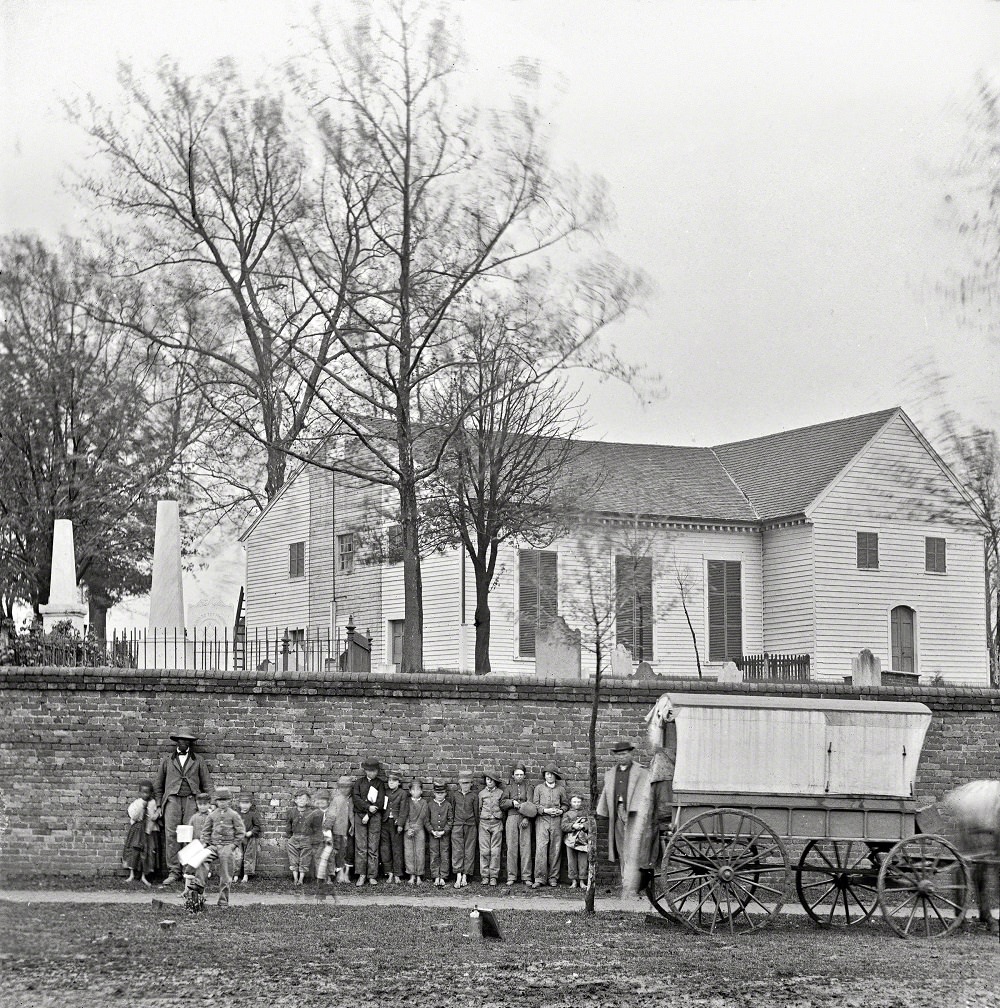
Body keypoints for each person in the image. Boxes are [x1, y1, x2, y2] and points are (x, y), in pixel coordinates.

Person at [154, 727, 212, 886]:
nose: (184, 743)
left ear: (190, 743)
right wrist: (159, 805)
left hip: (191, 800)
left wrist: (211, 804)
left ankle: (189, 871)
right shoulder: (167, 760)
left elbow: (207, 783)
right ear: (177, 741)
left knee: (189, 836)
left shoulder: (198, 760)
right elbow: (158, 785)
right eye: (181, 740)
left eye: (187, 741)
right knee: (171, 835)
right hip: (172, 801)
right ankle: (174, 872)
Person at [596, 739, 651, 890]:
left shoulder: (641, 772)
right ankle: (626, 881)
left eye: (625, 754)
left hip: (635, 814)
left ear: (630, 754)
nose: (622, 757)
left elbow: (646, 795)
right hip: (617, 811)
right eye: (619, 754)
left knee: (635, 848)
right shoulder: (611, 774)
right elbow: (606, 793)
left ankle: (636, 883)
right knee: (622, 849)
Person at [200, 787, 244, 906]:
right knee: (201, 858)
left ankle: (223, 901)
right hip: (214, 846)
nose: (222, 803)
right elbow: (205, 831)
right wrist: (207, 843)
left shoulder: (234, 815)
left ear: (229, 801)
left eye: (224, 800)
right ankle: (199, 892)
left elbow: (240, 832)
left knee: (225, 875)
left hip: (227, 846)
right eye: (220, 800)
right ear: (216, 801)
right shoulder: (212, 815)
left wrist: (234, 845)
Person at [352, 757, 389, 886]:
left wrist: (369, 814)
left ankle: (372, 875)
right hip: (360, 815)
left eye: (374, 771)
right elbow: (356, 799)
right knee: (361, 847)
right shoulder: (359, 783)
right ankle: (361, 875)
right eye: (369, 771)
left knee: (373, 846)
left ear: (377, 771)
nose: (371, 773)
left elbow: (380, 801)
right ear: (365, 770)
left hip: (374, 817)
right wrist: (367, 808)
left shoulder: (380, 783)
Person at [531, 763, 567, 888]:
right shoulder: (539, 789)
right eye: (547, 774)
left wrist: (561, 811)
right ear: (544, 776)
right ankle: (540, 878)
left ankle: (553, 877)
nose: (549, 776)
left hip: (557, 821)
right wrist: (545, 811)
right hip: (542, 820)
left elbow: (565, 804)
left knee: (555, 849)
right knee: (541, 848)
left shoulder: (561, 789)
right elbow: (534, 805)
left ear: (555, 776)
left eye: (552, 774)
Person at [122, 779, 160, 885]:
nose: (145, 794)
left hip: (149, 833)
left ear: (151, 793)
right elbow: (133, 815)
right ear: (140, 793)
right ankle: (132, 874)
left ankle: (144, 875)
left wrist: (156, 814)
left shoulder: (153, 803)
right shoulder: (137, 803)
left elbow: (156, 815)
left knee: (147, 853)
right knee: (134, 851)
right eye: (143, 792)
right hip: (138, 833)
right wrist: (141, 807)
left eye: (147, 792)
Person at [501, 762, 533, 885]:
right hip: (511, 818)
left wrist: (527, 818)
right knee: (511, 848)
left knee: (526, 848)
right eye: (516, 774)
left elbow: (531, 805)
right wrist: (511, 802)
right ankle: (511, 876)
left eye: (521, 774)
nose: (519, 776)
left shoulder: (529, 787)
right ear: (513, 776)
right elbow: (502, 804)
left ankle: (526, 876)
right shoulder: (508, 788)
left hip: (525, 819)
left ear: (524, 776)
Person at [285, 790, 321, 885]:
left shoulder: (312, 813)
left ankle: (301, 879)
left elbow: (316, 827)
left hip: (307, 839)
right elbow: (288, 826)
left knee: (305, 859)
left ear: (308, 801)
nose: (301, 800)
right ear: (295, 801)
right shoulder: (291, 812)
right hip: (294, 838)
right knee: (293, 859)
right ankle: (295, 878)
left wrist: (313, 839)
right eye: (299, 798)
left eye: (304, 799)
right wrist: (290, 837)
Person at [451, 770, 478, 889]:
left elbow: (476, 813)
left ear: (471, 784)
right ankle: (458, 875)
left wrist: (474, 825)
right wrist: (454, 824)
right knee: (457, 850)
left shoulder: (474, 796)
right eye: (463, 783)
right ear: (459, 784)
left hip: (471, 826)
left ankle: (465, 875)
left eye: (467, 783)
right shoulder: (455, 795)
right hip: (457, 826)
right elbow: (452, 810)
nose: (465, 785)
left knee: (469, 850)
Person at [477, 771, 505, 887]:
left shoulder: (500, 793)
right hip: (484, 823)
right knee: (484, 851)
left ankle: (493, 876)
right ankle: (485, 876)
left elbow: (503, 808)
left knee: (495, 851)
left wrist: (498, 817)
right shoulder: (481, 794)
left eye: (491, 780)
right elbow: (478, 809)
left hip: (496, 823)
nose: (489, 782)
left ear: (495, 782)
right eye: (487, 779)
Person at [401, 779, 430, 885]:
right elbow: (405, 815)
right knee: (409, 853)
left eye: (418, 790)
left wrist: (416, 828)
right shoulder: (407, 801)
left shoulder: (424, 802)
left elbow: (423, 816)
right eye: (413, 790)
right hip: (408, 831)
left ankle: (419, 876)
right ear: (410, 791)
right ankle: (411, 875)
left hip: (419, 830)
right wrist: (408, 828)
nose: (415, 792)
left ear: (422, 791)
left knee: (420, 852)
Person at [381, 770, 407, 884]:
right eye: (389, 780)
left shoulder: (402, 793)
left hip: (396, 824)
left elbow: (403, 810)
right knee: (385, 848)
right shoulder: (385, 792)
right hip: (385, 822)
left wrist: (400, 824)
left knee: (397, 849)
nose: (391, 783)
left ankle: (397, 874)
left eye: (394, 781)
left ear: (399, 782)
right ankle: (389, 873)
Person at [328, 775, 354, 883]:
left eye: (347, 787)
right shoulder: (336, 800)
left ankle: (347, 873)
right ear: (339, 788)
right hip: (338, 830)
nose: (345, 789)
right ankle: (340, 873)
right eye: (342, 787)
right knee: (339, 852)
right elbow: (331, 815)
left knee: (349, 851)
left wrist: (353, 825)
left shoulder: (353, 799)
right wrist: (328, 826)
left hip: (351, 830)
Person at [561, 795, 591, 889]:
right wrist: (573, 826)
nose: (576, 804)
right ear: (570, 802)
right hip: (570, 840)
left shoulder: (586, 813)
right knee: (571, 861)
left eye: (578, 802)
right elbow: (563, 826)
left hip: (583, 840)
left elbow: (591, 823)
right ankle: (573, 881)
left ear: (581, 802)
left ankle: (582, 881)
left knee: (583, 861)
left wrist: (583, 826)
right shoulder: (567, 814)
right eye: (574, 802)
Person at [427, 780, 453, 888]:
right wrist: (432, 831)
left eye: (442, 793)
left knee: (444, 855)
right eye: (438, 793)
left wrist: (444, 831)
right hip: (433, 834)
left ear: (446, 793)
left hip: (444, 835)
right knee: (434, 854)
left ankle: (443, 876)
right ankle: (435, 876)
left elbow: (450, 820)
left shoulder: (448, 805)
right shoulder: (430, 804)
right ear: (434, 793)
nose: (440, 795)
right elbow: (426, 820)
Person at [234, 793, 263, 884]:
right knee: (237, 856)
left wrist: (251, 832)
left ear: (250, 804)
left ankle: (246, 875)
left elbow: (257, 827)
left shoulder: (252, 814)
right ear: (239, 804)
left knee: (248, 856)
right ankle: (235, 875)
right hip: (238, 839)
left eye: (247, 803)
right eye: (243, 803)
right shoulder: (236, 814)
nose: (245, 805)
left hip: (249, 839)